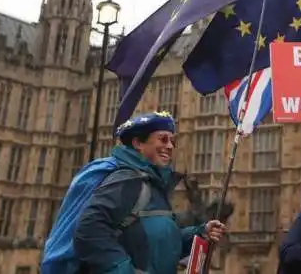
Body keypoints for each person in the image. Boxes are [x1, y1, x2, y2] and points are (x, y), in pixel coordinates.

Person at [72, 111, 226, 274]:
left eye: (172, 141)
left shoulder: (155, 185)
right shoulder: (127, 180)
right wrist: (124, 271)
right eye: (163, 139)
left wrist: (200, 233)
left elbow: (160, 244)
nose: (170, 146)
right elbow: (88, 230)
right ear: (138, 143)